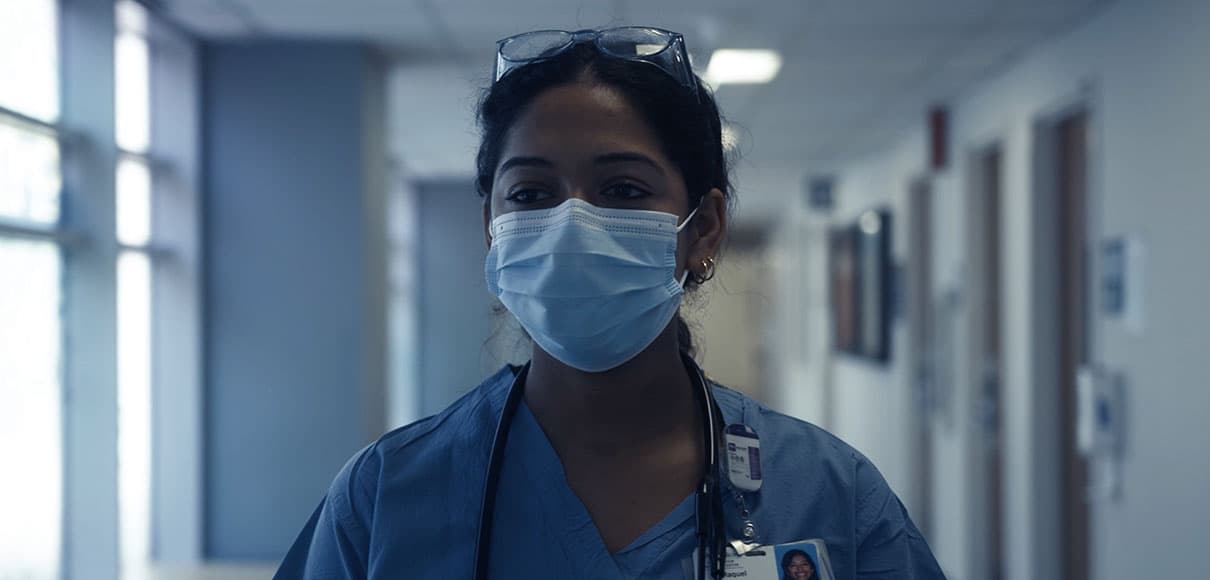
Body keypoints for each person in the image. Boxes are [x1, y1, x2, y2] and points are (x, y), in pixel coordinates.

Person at [275, 27, 945, 579]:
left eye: (623, 190)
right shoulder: (386, 496)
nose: (572, 226)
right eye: (532, 194)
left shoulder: (829, 494)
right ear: (491, 230)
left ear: (703, 230)